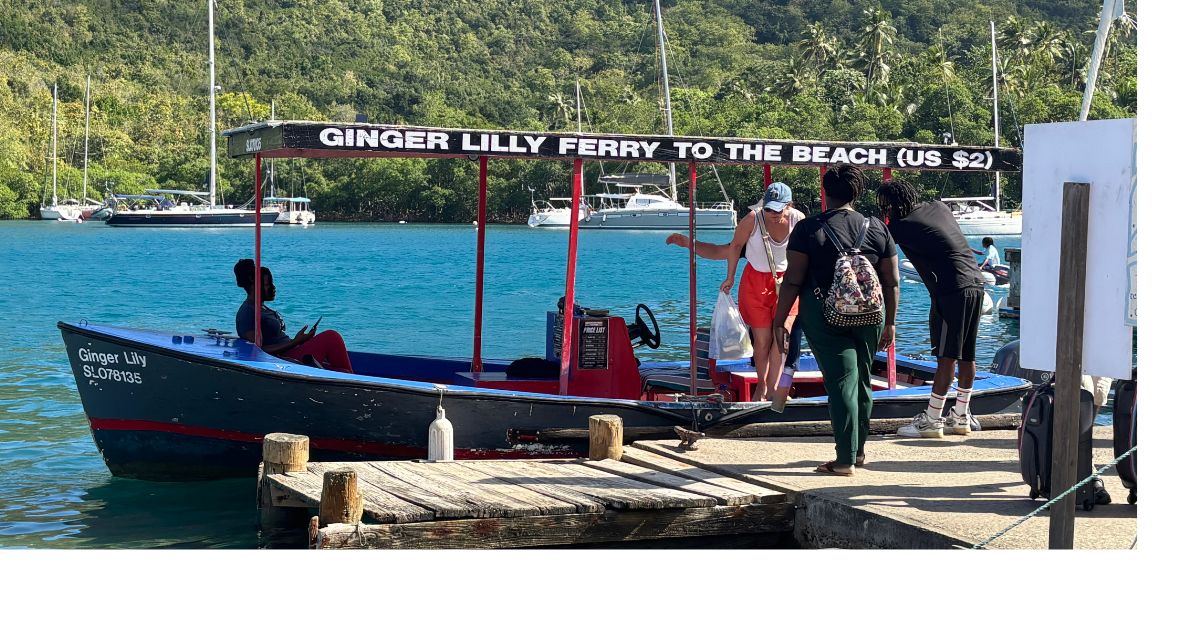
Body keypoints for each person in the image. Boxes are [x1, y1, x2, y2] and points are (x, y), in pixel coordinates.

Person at [773, 165, 899, 475]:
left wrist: (779, 321)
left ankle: (844, 460)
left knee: (842, 382)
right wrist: (891, 322)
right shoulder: (876, 228)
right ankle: (858, 453)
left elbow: (792, 280)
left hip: (825, 315)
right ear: (857, 193)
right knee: (863, 381)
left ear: (824, 193)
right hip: (872, 314)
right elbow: (891, 280)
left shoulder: (808, 229)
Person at [876, 180, 984, 438]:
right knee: (967, 355)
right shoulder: (938, 207)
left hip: (951, 291)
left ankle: (932, 420)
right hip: (976, 284)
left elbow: (880, 254)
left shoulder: (901, 226)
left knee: (946, 356)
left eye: (885, 208)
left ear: (891, 206)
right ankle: (960, 416)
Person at [712, 182, 805, 401]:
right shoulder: (753, 219)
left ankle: (774, 390)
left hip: (787, 281)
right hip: (756, 281)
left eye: (778, 209)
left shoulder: (798, 219)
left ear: (789, 206)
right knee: (762, 340)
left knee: (781, 336)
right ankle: (761, 387)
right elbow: (734, 246)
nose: (773, 213)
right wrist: (730, 277)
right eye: (769, 208)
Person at [233, 259, 354, 373]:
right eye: (268, 284)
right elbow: (257, 351)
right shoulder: (248, 312)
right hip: (284, 359)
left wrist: (300, 341)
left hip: (292, 350)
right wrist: (295, 342)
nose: (273, 287)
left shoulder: (262, 307)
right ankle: (352, 382)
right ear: (255, 285)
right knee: (331, 337)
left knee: (342, 370)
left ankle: (351, 380)